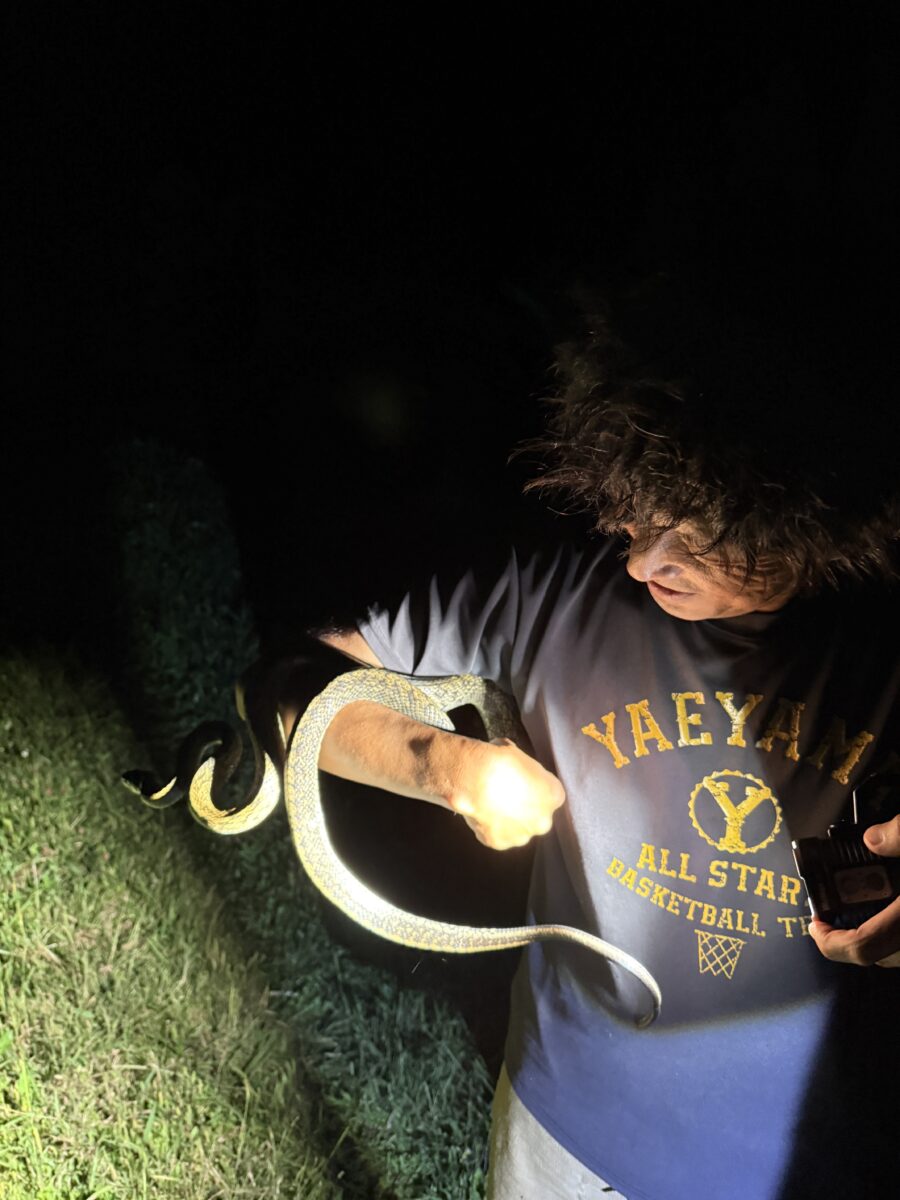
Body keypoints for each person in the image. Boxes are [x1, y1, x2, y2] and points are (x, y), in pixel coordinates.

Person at [278, 276, 900, 1199]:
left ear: (810, 517)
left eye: (700, 540)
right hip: (557, 1130)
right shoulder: (557, 596)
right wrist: (442, 762)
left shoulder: (880, 651)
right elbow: (297, 689)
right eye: (643, 517)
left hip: (802, 1167)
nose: (643, 561)